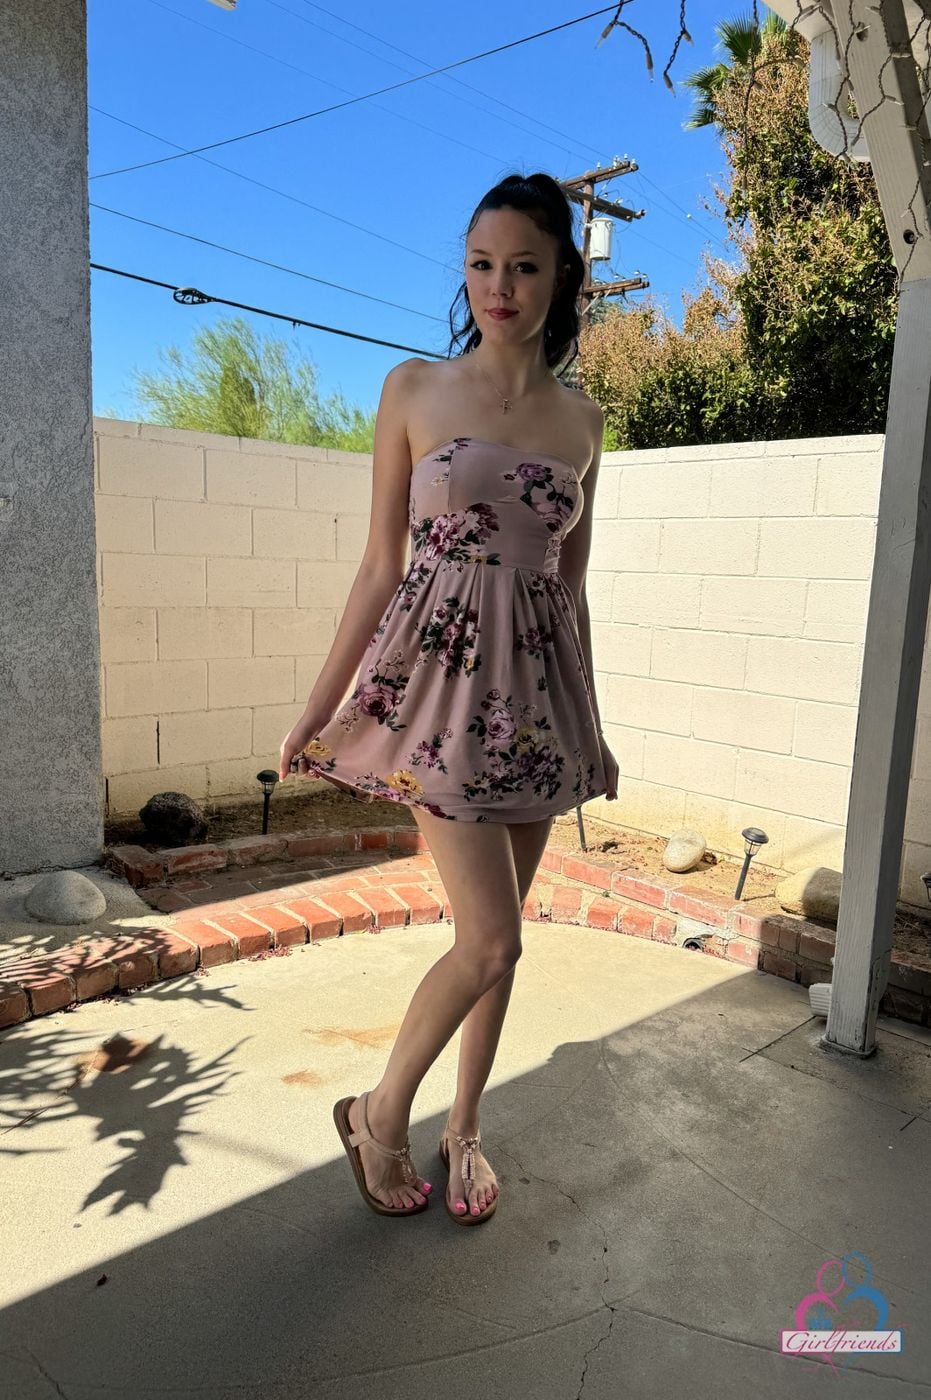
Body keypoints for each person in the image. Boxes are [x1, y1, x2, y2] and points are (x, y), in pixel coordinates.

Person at [278, 171, 619, 1225]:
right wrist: (319, 704)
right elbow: (379, 566)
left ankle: (464, 1128)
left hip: (540, 703)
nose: (497, 286)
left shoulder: (584, 422)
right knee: (491, 940)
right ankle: (377, 1113)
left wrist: (593, 728)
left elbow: (568, 590)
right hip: (436, 694)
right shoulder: (414, 389)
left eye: (522, 266)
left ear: (561, 277)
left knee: (499, 938)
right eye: (480, 264)